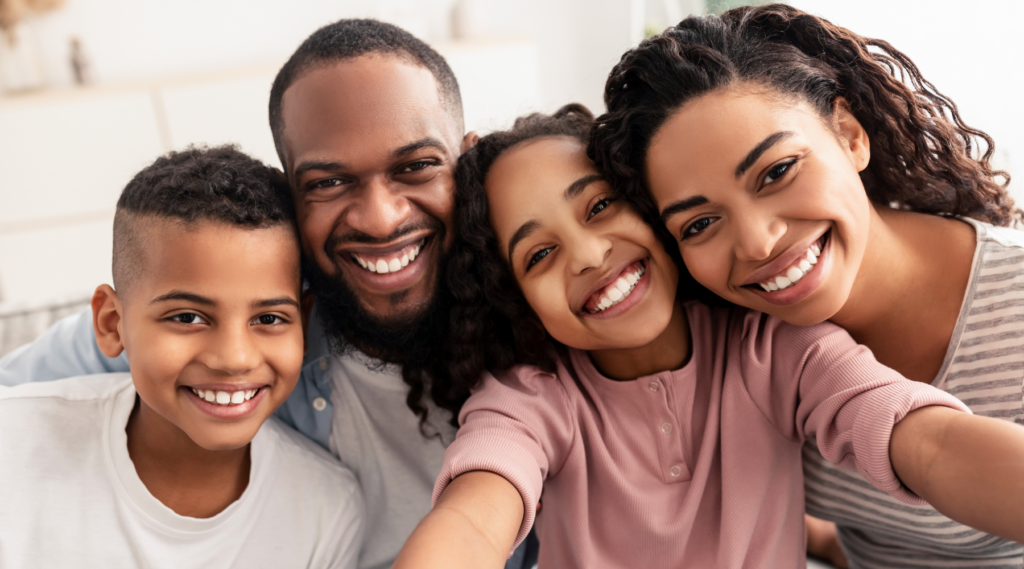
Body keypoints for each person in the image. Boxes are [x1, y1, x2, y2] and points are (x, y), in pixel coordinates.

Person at [0, 19, 533, 569]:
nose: (380, 219)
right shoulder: (251, 309)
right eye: (328, 182)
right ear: (289, 193)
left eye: (417, 167)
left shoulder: (541, 320)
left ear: (467, 162)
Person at [392, 106, 1024, 569]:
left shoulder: (772, 348)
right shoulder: (530, 399)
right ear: (517, 303)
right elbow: (474, 520)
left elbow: (929, 443)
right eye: (540, 254)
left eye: (600, 207)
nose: (588, 254)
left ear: (655, 208)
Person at [590, 4, 1024, 567]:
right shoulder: (743, 342)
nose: (758, 243)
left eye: (776, 171)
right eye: (699, 224)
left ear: (849, 135)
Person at [0, 146, 364, 568]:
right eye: (188, 317)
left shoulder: (327, 510)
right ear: (112, 323)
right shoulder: (13, 441)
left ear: (303, 322)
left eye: (268, 317)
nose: (234, 358)